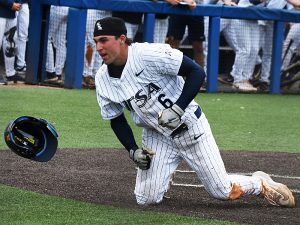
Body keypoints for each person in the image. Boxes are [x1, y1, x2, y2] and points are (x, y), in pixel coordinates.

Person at [93, 17, 295, 207]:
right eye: (96, 42)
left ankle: (260, 183)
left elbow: (196, 72)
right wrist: (132, 149)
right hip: (156, 137)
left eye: (104, 40)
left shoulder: (148, 55)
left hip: (189, 128)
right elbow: (115, 118)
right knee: (146, 199)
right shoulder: (102, 79)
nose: (99, 47)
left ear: (121, 39)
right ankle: (164, 171)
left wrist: (177, 108)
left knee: (222, 191)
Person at [165, 0, 205, 67]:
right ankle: (170, 73)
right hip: (177, 8)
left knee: (198, 47)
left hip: (196, 8)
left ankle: (200, 75)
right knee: (172, 46)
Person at [82, 9, 111, 88]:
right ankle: (87, 74)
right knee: (91, 44)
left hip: (108, 14)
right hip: (94, 12)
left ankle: (96, 75)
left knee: (103, 46)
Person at [0, 0, 24, 84]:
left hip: (11, 13)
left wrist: (18, 3)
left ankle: (10, 73)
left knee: (11, 43)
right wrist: (11, 4)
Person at [44, 6, 69, 84]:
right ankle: (58, 74)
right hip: (67, 9)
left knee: (47, 38)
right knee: (61, 42)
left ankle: (50, 73)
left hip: (57, 7)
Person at [15, 0, 30, 74]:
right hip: (11, 3)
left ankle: (21, 65)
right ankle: (10, 67)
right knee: (9, 35)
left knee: (23, 35)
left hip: (24, 4)